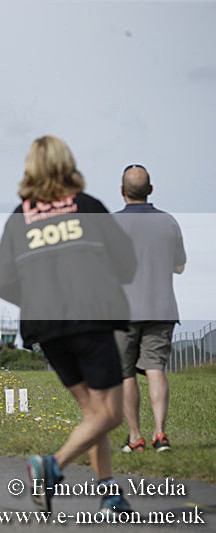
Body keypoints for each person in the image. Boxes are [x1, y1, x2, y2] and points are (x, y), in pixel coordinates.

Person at [0, 135, 137, 515]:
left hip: (48, 329)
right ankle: (50, 466)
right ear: (67, 163)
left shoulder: (18, 217)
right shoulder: (87, 207)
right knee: (110, 413)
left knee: (93, 415)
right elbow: (126, 262)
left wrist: (37, 297)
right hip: (89, 320)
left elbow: (0, 279)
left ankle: (108, 494)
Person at [113, 164, 186, 453]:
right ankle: (160, 434)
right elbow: (179, 266)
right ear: (151, 190)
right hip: (161, 307)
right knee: (156, 369)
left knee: (126, 373)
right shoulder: (168, 222)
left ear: (122, 191)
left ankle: (135, 438)